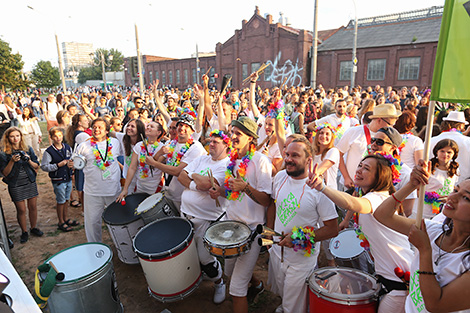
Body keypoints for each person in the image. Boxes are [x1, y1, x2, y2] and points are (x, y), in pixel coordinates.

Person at [307, 154, 414, 313]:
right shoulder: (378, 197)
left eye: (366, 168)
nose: (359, 170)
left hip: (399, 282)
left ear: (380, 176)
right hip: (391, 279)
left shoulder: (378, 199)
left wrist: (322, 187)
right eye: (360, 165)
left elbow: (352, 202)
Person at [373, 161, 470, 313]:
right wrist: (412, 185)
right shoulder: (433, 230)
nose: (453, 197)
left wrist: (425, 250)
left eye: (466, 198)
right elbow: (382, 215)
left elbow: (435, 305)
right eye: (456, 190)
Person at [267, 136, 338, 313]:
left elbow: (332, 229)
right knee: (284, 294)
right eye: (287, 154)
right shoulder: (281, 177)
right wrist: (268, 233)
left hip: (301, 259)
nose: (289, 159)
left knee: (294, 307)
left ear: (308, 160)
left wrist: (298, 238)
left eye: (295, 155)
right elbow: (274, 205)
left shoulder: (320, 189)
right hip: (277, 251)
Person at [209, 116, 272, 313]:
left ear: (251, 138)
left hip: (251, 231)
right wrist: (219, 192)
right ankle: (257, 285)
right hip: (231, 227)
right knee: (229, 272)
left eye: (238, 134)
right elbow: (231, 193)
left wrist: (246, 187)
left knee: (236, 289)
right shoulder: (232, 160)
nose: (233, 137)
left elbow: (267, 201)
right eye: (232, 132)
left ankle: (247, 287)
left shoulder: (261, 161)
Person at [178, 130, 232, 304]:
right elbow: (181, 176)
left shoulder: (227, 165)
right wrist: (195, 181)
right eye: (211, 141)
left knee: (205, 258)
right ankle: (197, 277)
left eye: (217, 142)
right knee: (188, 254)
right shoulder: (202, 158)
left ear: (226, 145)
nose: (212, 144)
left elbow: (207, 184)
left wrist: (191, 175)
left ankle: (219, 282)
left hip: (207, 219)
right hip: (185, 214)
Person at [76, 118, 122, 242]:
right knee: (92, 223)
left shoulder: (115, 143)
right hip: (92, 192)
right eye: (94, 127)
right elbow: (75, 161)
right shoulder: (83, 146)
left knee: (116, 221)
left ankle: (120, 246)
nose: (96, 129)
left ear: (107, 130)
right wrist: (71, 163)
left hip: (113, 190)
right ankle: (95, 248)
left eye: (100, 127)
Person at [337, 103, 401, 190]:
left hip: (374, 190)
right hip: (351, 186)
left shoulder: (390, 137)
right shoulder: (353, 132)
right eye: (390, 124)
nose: (392, 128)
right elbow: (338, 154)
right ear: (379, 120)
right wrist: (346, 177)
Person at [0, 127, 43, 243]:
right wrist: (12, 161)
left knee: (33, 207)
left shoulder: (27, 149)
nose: (15, 138)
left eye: (17, 136)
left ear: (21, 137)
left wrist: (28, 160)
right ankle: (24, 231)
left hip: (29, 181)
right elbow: (5, 173)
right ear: (8, 138)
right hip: (15, 184)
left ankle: (33, 228)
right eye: (12, 136)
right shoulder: (4, 153)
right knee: (21, 209)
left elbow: (36, 166)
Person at [367, 127, 417, 217]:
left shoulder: (405, 173)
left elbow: (408, 210)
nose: (373, 144)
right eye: (373, 140)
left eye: (379, 142)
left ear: (393, 147)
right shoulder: (367, 164)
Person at [40, 127, 79, 232]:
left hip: (68, 177)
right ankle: (61, 221)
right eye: (55, 136)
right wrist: (57, 165)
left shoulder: (67, 147)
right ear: (51, 137)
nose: (58, 138)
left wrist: (72, 164)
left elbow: (71, 159)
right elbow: (44, 166)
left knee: (66, 200)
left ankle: (65, 218)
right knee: (60, 201)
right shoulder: (49, 151)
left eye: (60, 135)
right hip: (58, 179)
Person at [410, 139, 459, 219]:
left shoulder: (455, 169)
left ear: (454, 154)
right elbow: (417, 190)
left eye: (449, 152)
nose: (445, 154)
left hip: (441, 213)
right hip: (423, 211)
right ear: (437, 152)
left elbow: (452, 186)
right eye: (442, 151)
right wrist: (433, 198)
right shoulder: (428, 167)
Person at [117, 121, 165, 200]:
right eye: (148, 126)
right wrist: (125, 189)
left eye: (152, 127)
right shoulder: (139, 145)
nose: (148, 127)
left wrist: (160, 153)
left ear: (158, 132)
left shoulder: (162, 148)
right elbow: (132, 167)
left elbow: (154, 165)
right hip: (139, 187)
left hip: (155, 188)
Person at [429, 111, 470, 184]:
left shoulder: (431, 140)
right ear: (461, 126)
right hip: (462, 185)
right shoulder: (467, 141)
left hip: (433, 184)